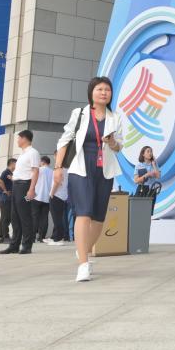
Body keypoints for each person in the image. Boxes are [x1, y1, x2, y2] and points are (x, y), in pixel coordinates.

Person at [54, 76, 125, 283]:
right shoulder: (80, 113)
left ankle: (83, 250)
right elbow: (65, 140)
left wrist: (112, 142)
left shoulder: (116, 117)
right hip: (81, 168)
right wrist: (58, 168)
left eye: (107, 90)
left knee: (99, 218)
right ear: (91, 92)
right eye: (99, 89)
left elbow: (119, 147)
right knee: (83, 212)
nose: (103, 93)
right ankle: (83, 264)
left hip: (104, 170)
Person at [0, 131, 40, 256]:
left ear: (24, 139)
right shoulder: (22, 154)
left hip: (25, 186)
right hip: (16, 186)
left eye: (19, 138)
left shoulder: (33, 152)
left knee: (25, 216)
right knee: (15, 217)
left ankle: (27, 246)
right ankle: (14, 245)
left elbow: (35, 172)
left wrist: (31, 189)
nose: (17, 141)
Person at [46, 162, 70, 246]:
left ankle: (58, 238)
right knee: (59, 218)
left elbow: (57, 181)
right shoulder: (66, 169)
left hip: (56, 195)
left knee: (56, 219)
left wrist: (52, 193)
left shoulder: (59, 169)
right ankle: (55, 237)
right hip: (62, 196)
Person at [33, 156, 53, 242]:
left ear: (43, 162)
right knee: (44, 218)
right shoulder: (52, 172)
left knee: (34, 217)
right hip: (47, 198)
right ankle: (42, 237)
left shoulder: (39, 170)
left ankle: (32, 236)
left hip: (37, 196)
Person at [0, 158, 15, 243]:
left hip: (7, 199)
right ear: (12, 164)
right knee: (6, 217)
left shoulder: (10, 173)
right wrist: (5, 190)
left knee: (4, 217)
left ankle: (0, 237)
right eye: (16, 163)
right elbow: (0, 180)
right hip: (5, 199)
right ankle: (5, 237)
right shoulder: (6, 172)